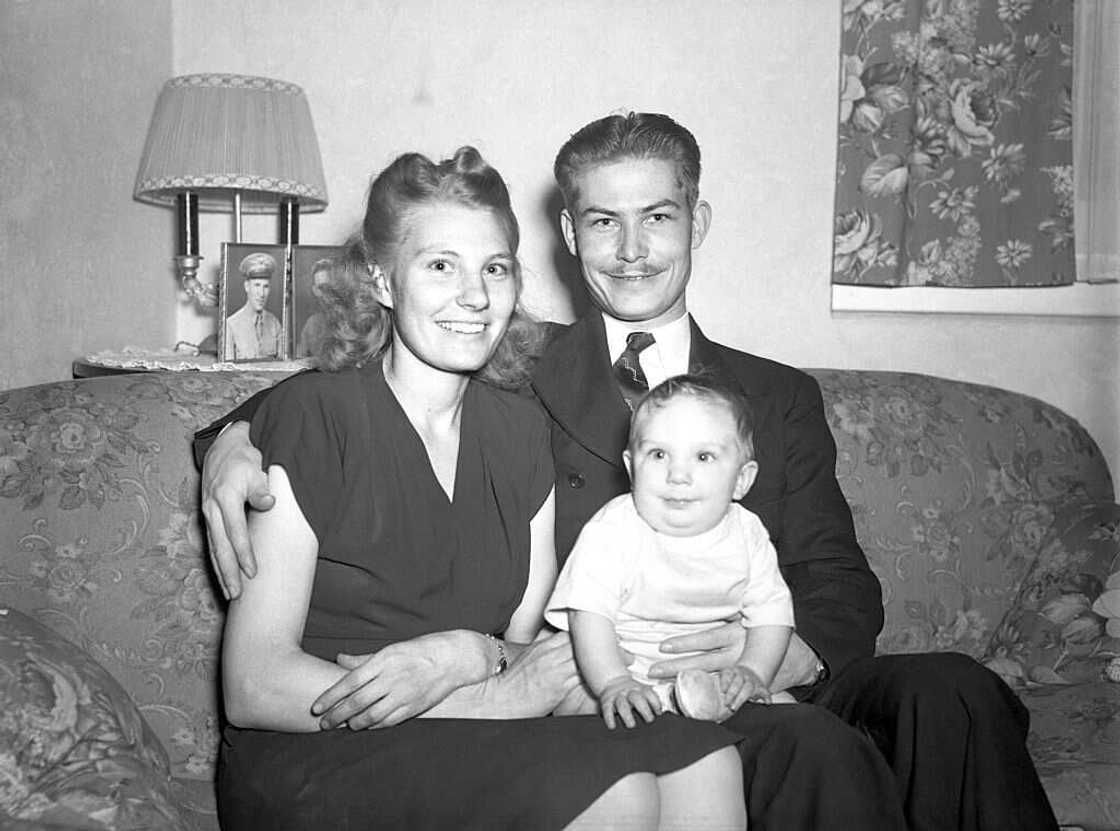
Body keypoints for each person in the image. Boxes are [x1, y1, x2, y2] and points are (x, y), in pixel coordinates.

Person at [196, 113, 1059, 830]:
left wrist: (768, 661)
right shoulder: (521, 370)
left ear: (699, 222)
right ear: (570, 234)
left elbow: (841, 584)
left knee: (953, 691)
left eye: (659, 216)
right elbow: (347, 403)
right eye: (605, 220)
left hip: (765, 668)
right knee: (797, 756)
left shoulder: (777, 395)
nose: (634, 248)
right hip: (613, 686)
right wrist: (231, 441)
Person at [214, 145, 745, 831]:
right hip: (318, 750)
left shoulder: (522, 431)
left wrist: (475, 655)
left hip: (468, 731)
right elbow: (253, 685)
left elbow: (529, 652)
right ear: (381, 279)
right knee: (619, 792)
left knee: (704, 757)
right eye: (441, 265)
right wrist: (479, 697)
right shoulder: (314, 417)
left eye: (495, 268)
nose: (475, 296)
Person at [545, 374, 795, 729]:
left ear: (742, 480)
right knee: (577, 702)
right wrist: (613, 682)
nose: (678, 474)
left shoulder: (748, 532)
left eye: (704, 456)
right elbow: (588, 616)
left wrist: (752, 671)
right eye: (659, 454)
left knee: (787, 713)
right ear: (632, 468)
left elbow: (772, 614)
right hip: (619, 670)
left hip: (708, 677)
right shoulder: (613, 529)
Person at [224, 252, 282, 359]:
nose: (261, 293)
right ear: (247, 287)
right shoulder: (231, 325)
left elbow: (284, 365)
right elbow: (228, 370)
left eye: (266, 286)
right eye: (256, 285)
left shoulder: (275, 324)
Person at [295, 257, 333, 357]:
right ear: (315, 291)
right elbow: (300, 359)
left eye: (328, 287)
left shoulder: (353, 321)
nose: (325, 293)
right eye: (320, 288)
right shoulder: (311, 325)